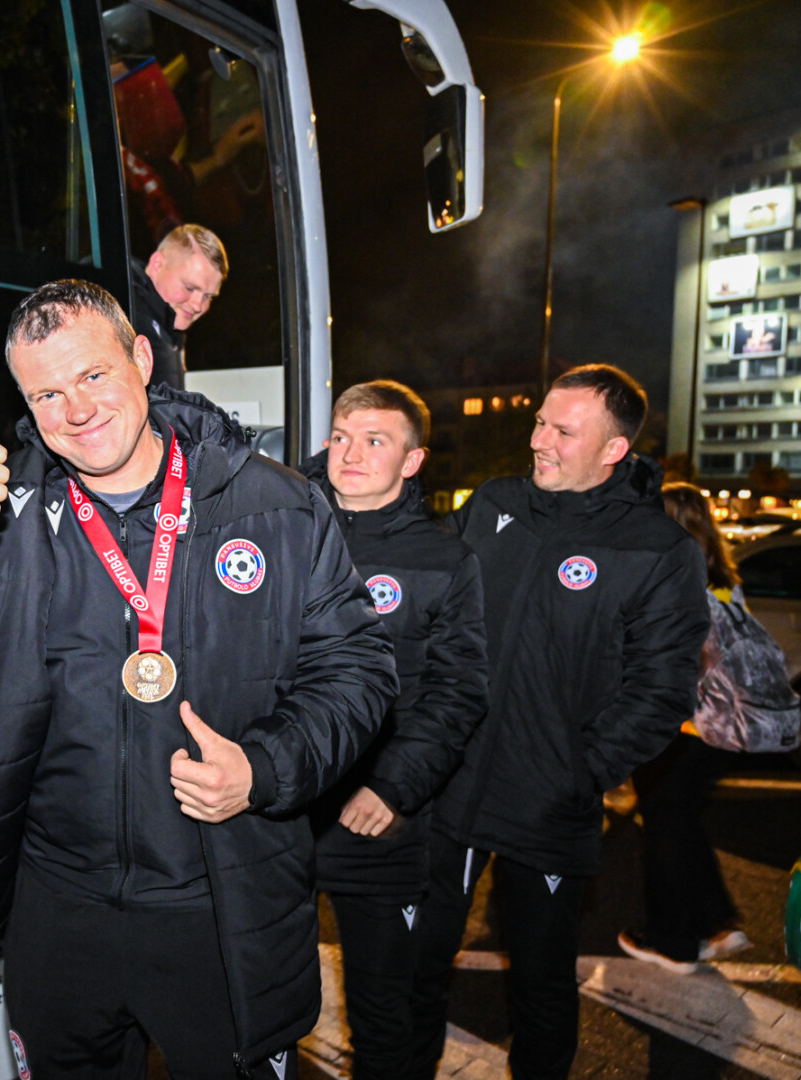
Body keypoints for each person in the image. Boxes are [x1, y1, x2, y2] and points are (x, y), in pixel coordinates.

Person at [0, 279, 396, 1079]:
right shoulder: (0, 521)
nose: (75, 410)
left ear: (140, 358)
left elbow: (357, 671)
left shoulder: (276, 505)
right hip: (56, 910)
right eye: (46, 394)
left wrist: (263, 768)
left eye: (92, 375)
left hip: (220, 905)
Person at [418, 364, 711, 1080]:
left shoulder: (658, 550)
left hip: (546, 809)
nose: (539, 441)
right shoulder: (494, 503)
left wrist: (575, 775)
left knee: (541, 989)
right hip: (448, 791)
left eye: (562, 431)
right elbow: (426, 598)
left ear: (613, 449)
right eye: (539, 422)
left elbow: (663, 692)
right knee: (414, 970)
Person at [300, 381, 488, 1079]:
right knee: (259, 999)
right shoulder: (284, 527)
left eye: (374, 441)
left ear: (411, 461)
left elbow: (457, 691)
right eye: (341, 437)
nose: (350, 454)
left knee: (382, 1011)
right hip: (277, 811)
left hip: (375, 820)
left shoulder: (444, 560)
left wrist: (392, 788)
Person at [615, 482, 756, 974]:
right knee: (682, 822)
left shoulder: (671, 579)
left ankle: (672, 941)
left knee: (663, 827)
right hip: (725, 727)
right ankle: (717, 921)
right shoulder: (722, 580)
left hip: (681, 727)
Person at [129, 224, 228, 390]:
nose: (198, 305)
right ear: (157, 265)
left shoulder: (165, 323)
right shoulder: (127, 316)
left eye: (208, 296)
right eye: (189, 287)